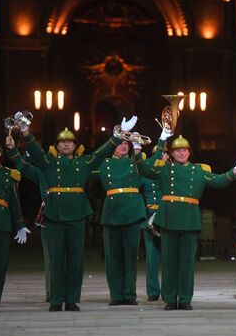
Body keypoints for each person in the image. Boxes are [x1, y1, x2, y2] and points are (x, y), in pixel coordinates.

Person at [20, 117, 136, 312]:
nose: (66, 144)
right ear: (57, 146)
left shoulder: (84, 162)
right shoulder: (48, 162)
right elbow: (35, 151)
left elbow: (102, 153)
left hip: (76, 213)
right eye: (62, 142)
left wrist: (117, 137)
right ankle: (56, 299)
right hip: (54, 214)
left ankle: (72, 298)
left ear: (75, 145)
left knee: (75, 259)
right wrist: (25, 132)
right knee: (56, 260)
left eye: (69, 141)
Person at [135, 132, 236, 311]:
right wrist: (143, 149)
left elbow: (219, 181)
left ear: (189, 152)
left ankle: (184, 299)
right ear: (172, 154)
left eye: (184, 150)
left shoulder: (199, 171)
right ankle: (169, 299)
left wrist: (235, 171)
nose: (181, 153)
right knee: (169, 261)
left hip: (189, 218)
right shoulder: (164, 169)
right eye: (177, 151)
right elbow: (145, 169)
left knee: (186, 262)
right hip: (169, 217)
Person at [90, 136, 148, 306]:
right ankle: (116, 295)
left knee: (130, 256)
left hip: (132, 211)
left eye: (126, 143)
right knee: (112, 256)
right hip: (112, 212)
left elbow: (151, 167)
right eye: (120, 143)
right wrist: (111, 141)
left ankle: (129, 294)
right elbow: (90, 163)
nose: (123, 146)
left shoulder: (137, 163)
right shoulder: (104, 163)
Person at [5, 135, 51, 302]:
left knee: (73, 259)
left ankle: (70, 294)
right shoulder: (43, 172)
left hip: (72, 215)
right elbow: (22, 168)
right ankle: (53, 292)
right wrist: (12, 150)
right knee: (51, 258)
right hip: (49, 216)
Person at [0, 138, 30, 313]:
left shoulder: (8, 174)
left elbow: (14, 202)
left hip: (1, 222)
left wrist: (20, 224)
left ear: (0, 154)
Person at [139, 139, 169, 302]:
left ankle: (167, 290)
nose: (162, 157)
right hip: (149, 216)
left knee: (168, 257)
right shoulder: (145, 175)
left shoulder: (171, 172)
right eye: (159, 155)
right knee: (151, 257)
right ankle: (152, 291)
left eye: (165, 154)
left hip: (166, 217)